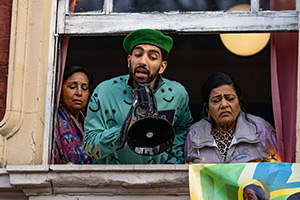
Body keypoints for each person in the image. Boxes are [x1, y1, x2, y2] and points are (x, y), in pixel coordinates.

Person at [83, 29, 193, 164]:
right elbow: (89, 145)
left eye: (152, 57)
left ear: (162, 66)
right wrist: (121, 132)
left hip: (162, 180)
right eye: (138, 54)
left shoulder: (177, 94)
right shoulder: (104, 91)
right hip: (113, 181)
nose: (143, 61)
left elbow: (182, 132)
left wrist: (173, 164)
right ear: (129, 60)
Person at [185, 72, 278, 164]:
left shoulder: (261, 130)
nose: (224, 105)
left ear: (240, 104)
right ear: (207, 109)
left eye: (230, 98)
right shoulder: (194, 134)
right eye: (216, 101)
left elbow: (280, 167)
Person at [53, 65, 94, 164]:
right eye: (72, 87)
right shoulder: (54, 121)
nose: (79, 93)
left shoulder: (89, 124)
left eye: (84, 88)